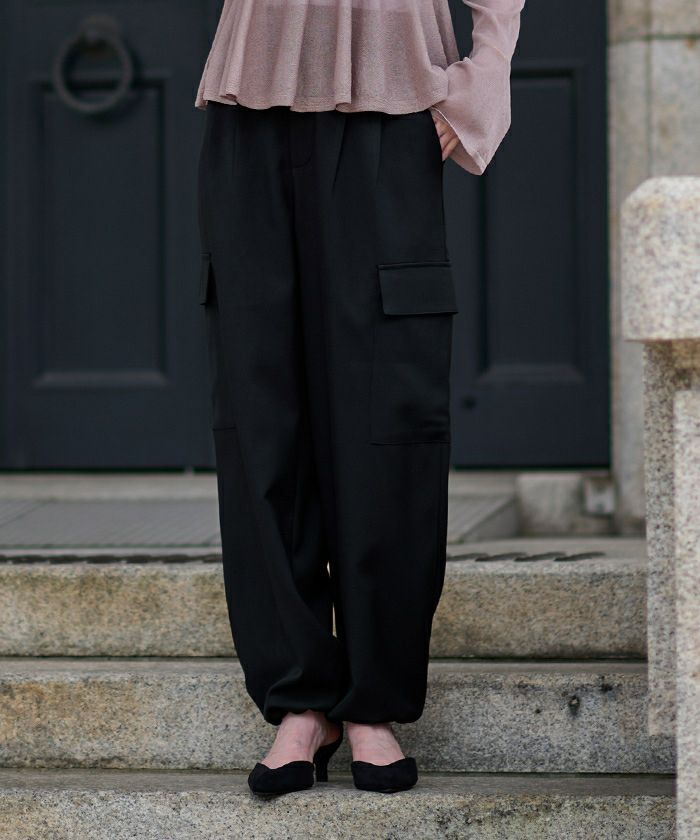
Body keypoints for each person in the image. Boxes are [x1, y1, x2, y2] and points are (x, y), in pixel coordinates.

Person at [195, 0, 524, 796]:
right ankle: (300, 699)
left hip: (390, 98)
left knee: (387, 412)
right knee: (261, 409)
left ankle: (374, 699)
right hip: (249, 98)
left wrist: (485, 72)